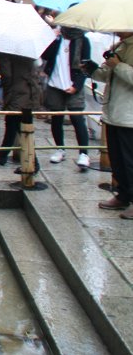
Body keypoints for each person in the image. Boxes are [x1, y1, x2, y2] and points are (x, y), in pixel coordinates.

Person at [41, 22, 92, 167]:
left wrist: (76, 86)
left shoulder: (83, 40)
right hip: (55, 83)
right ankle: (60, 149)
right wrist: (50, 38)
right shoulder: (57, 38)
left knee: (77, 118)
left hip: (73, 83)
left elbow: (85, 65)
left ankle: (84, 153)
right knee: (56, 118)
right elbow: (46, 55)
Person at [95, 32, 133, 217]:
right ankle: (123, 195)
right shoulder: (119, 45)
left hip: (129, 116)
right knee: (117, 160)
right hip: (113, 112)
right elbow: (107, 75)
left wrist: (118, 65)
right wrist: (92, 69)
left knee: (130, 161)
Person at [0, 50, 43, 168]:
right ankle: (2, 155)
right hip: (29, 91)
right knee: (13, 126)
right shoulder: (28, 51)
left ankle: (33, 162)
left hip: (16, 94)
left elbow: (7, 76)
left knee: (21, 127)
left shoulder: (6, 52)